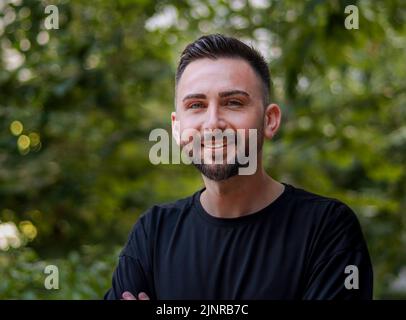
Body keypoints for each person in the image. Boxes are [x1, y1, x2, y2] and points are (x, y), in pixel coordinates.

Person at [104, 34, 373, 300]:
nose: (212, 123)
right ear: (177, 127)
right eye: (196, 105)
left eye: (233, 103)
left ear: (269, 120)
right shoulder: (153, 233)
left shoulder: (327, 229)